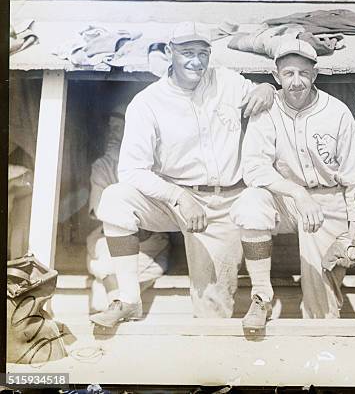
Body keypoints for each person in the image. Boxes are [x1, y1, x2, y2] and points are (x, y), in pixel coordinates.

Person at [90, 22, 275, 327]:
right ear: (169, 53)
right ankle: (128, 299)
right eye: (187, 52)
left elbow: (259, 91)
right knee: (115, 198)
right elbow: (131, 170)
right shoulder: (147, 102)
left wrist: (267, 87)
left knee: (212, 309)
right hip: (175, 198)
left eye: (203, 53)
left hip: (225, 201)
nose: (197, 61)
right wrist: (177, 195)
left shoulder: (226, 81)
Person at [230, 38, 355, 333]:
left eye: (303, 73)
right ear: (276, 76)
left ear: (315, 75)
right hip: (287, 198)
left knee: (322, 301)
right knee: (250, 202)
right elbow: (253, 168)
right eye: (288, 73)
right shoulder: (267, 109)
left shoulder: (337, 112)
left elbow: (354, 178)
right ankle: (261, 296)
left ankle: (323, 358)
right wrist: (296, 192)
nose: (296, 82)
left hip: (329, 200)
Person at [86, 106, 171, 313]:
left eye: (119, 128)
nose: (113, 135)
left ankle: (114, 298)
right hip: (112, 238)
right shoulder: (103, 165)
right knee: (103, 253)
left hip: (150, 239)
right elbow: (99, 212)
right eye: (111, 128)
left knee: (102, 291)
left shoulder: (154, 164)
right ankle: (117, 300)